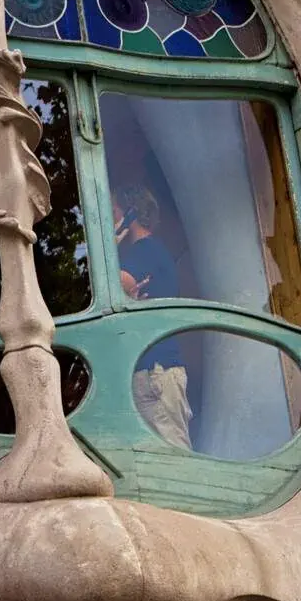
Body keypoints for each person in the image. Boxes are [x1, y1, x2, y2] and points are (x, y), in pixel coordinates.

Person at [116, 185, 193, 449]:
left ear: (129, 215)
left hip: (156, 373)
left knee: (173, 460)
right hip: (154, 372)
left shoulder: (145, 249)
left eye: (113, 211)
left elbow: (116, 283)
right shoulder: (150, 251)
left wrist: (108, 247)